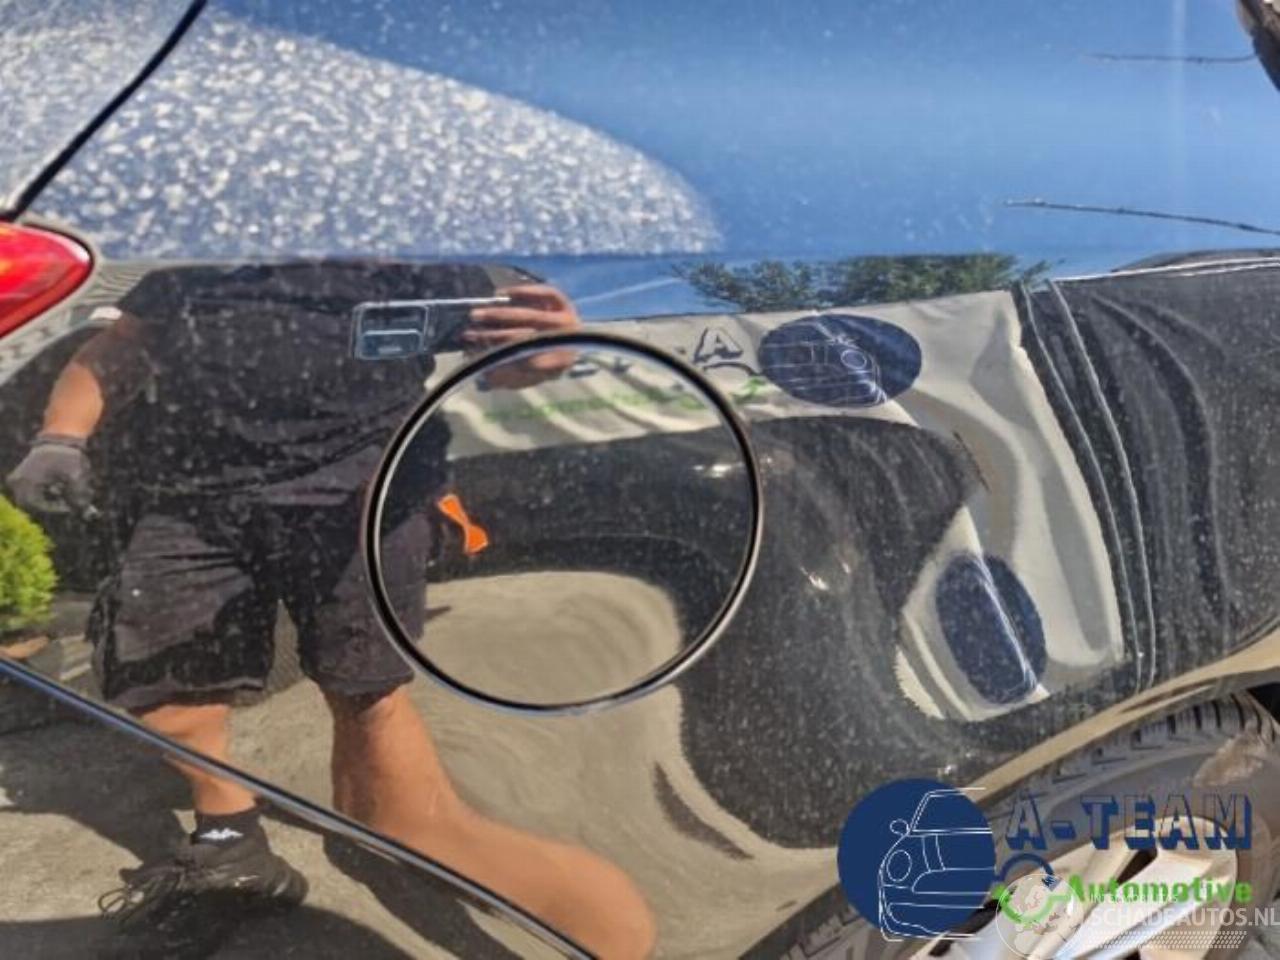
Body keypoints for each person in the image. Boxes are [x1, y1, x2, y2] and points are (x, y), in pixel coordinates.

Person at [6, 262, 655, 960]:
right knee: (166, 687)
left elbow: (503, 354)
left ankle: (415, 828)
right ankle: (230, 842)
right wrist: (60, 437)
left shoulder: (414, 257)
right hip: (196, 500)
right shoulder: (209, 261)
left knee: (366, 692)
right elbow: (118, 347)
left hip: (359, 501)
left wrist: (541, 354)